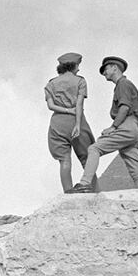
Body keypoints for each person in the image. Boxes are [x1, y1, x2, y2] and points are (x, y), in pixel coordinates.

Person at [66, 56, 138, 193]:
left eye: (105, 69)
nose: (104, 73)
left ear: (115, 68)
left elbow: (124, 108)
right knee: (136, 171)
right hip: (133, 128)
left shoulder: (123, 84)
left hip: (125, 126)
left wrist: (114, 127)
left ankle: (85, 183)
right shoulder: (124, 85)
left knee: (94, 149)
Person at [44, 52, 97, 192]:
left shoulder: (51, 84)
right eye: (78, 65)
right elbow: (79, 105)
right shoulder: (80, 81)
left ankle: (68, 191)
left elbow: (50, 106)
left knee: (64, 160)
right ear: (72, 66)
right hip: (76, 120)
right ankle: (96, 191)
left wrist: (65, 111)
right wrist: (78, 124)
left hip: (58, 122)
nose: (79, 69)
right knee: (87, 159)